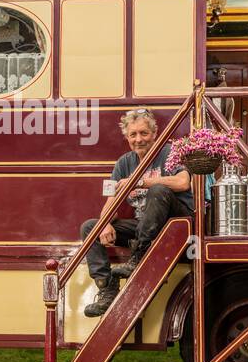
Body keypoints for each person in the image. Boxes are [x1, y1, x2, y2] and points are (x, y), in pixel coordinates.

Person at [79, 108, 194, 317]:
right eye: (133, 134)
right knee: (90, 227)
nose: (138, 139)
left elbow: (183, 182)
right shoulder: (124, 163)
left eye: (144, 133)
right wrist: (104, 224)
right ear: (127, 137)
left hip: (175, 224)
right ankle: (107, 289)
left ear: (154, 134)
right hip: (145, 226)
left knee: (158, 190)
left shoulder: (169, 152)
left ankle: (138, 257)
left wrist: (141, 182)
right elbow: (111, 200)